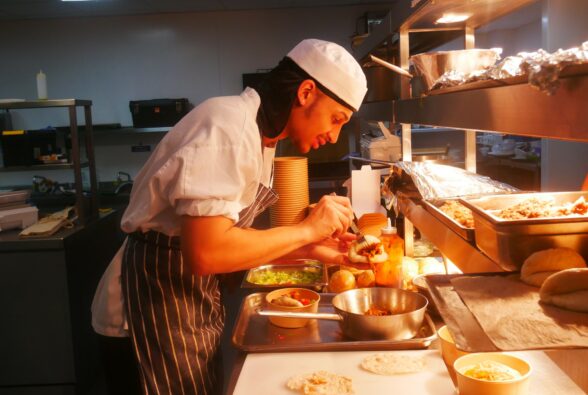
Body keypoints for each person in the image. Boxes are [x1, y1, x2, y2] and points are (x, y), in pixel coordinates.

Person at [92, 38, 368, 395]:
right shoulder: (228, 126)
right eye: (336, 119)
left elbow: (232, 241)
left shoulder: (260, 138)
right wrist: (305, 230)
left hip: (184, 308)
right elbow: (207, 252)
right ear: (306, 92)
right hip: (145, 315)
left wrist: (310, 248)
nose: (333, 136)